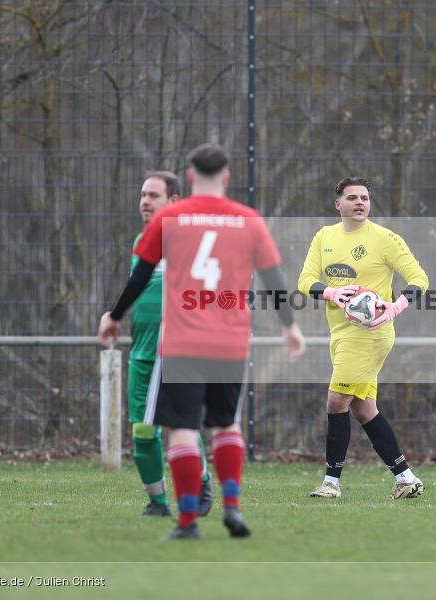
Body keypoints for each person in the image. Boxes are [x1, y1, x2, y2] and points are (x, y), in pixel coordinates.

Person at [99, 144, 305, 540]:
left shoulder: (171, 217)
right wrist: (289, 326)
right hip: (229, 342)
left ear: (190, 178)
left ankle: (188, 521)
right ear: (226, 178)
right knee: (226, 425)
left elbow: (140, 276)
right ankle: (231, 505)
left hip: (181, 342)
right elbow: (274, 279)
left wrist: (114, 316)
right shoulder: (248, 220)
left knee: (179, 430)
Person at [298, 176, 428, 500]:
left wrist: (394, 307)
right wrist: (332, 292)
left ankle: (331, 483)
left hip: (371, 334)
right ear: (337, 204)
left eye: (365, 198)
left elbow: (419, 278)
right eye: (352, 197)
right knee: (363, 408)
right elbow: (305, 280)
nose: (360, 202)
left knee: (336, 400)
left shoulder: (385, 239)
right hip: (340, 334)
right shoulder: (324, 237)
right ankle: (406, 477)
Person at [126, 171, 213, 518]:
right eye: (142, 194)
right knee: (142, 433)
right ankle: (158, 502)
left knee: (181, 426)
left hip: (179, 351)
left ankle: (201, 483)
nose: (145, 201)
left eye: (153, 195)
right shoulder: (140, 243)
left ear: (174, 202)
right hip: (142, 352)